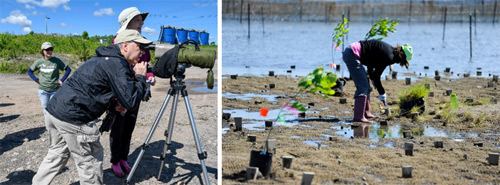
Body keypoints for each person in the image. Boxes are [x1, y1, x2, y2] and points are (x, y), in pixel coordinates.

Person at [32, 29, 152, 185]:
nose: (142, 52)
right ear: (125, 46)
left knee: (57, 154)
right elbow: (130, 101)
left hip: (55, 111)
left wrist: (113, 105)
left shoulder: (103, 58)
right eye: (140, 47)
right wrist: (141, 77)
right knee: (91, 159)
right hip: (72, 117)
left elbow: (95, 88)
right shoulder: (117, 63)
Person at [108, 7, 156, 178]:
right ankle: (114, 160)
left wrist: (149, 76)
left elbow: (146, 67)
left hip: (137, 91)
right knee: (118, 129)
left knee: (129, 128)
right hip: (120, 94)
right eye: (137, 20)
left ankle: (123, 158)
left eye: (142, 20)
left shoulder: (143, 43)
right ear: (127, 23)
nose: (142, 23)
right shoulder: (119, 42)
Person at [342, 40, 413, 123]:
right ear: (402, 57)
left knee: (366, 84)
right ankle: (358, 117)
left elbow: (371, 61)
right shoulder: (389, 57)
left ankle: (366, 113)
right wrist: (382, 92)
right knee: (363, 86)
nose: (400, 63)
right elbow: (377, 76)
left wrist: (371, 77)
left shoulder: (390, 51)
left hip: (353, 52)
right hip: (352, 54)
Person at [28, 42, 72, 110]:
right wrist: (36, 80)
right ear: (43, 51)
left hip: (55, 90)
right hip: (43, 91)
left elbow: (68, 69)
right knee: (46, 110)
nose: (49, 51)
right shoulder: (38, 62)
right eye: (47, 49)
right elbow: (29, 71)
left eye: (51, 49)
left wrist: (61, 80)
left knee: (55, 109)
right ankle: (47, 121)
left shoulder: (56, 61)